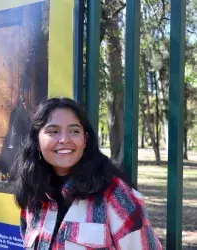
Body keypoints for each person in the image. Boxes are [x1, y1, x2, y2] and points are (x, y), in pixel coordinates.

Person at [14, 97, 162, 250]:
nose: (64, 139)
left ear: (85, 140)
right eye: (53, 131)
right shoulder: (34, 193)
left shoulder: (114, 194)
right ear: (37, 141)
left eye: (74, 131)